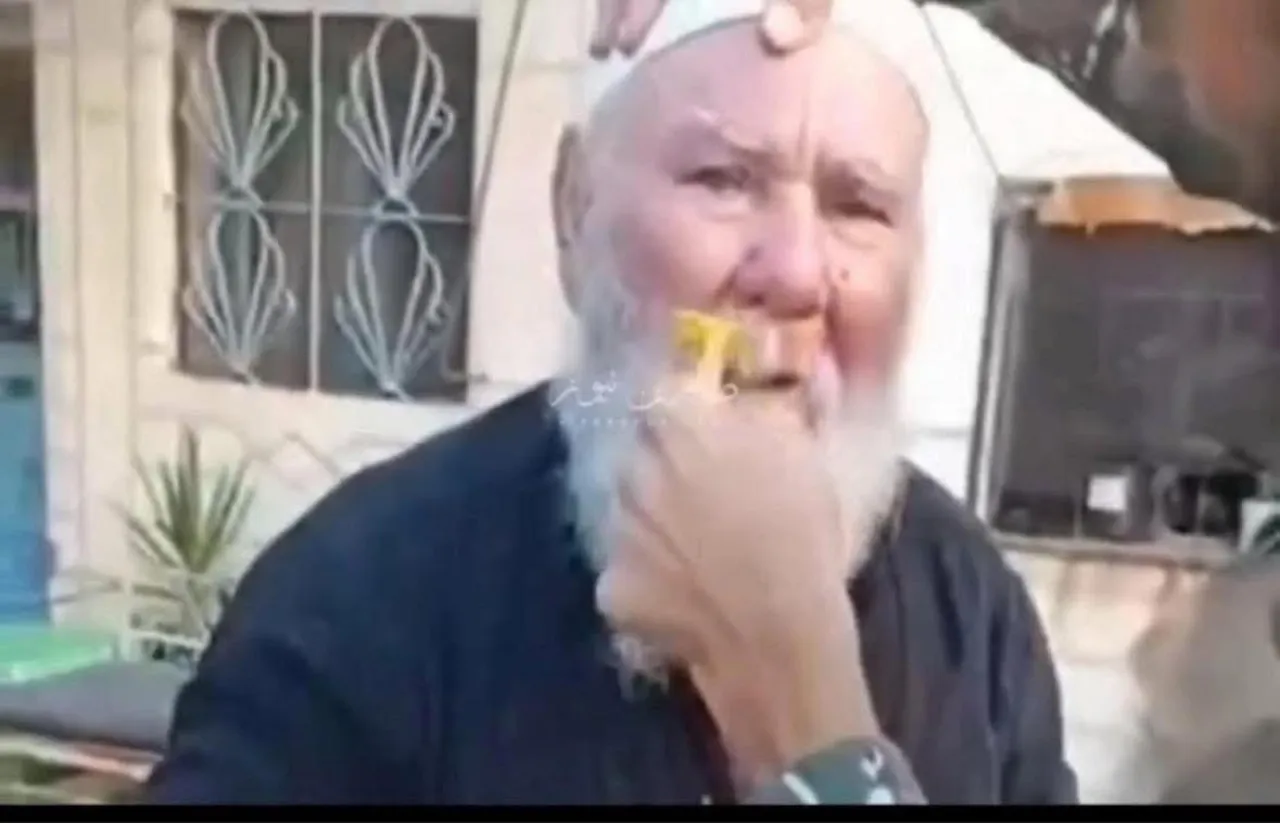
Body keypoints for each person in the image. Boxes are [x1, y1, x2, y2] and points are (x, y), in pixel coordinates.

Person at [146, 0, 1076, 805]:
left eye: (858, 206)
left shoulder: (973, 612)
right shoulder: (355, 603)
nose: (797, 274)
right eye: (722, 179)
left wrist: (803, 713)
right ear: (573, 209)